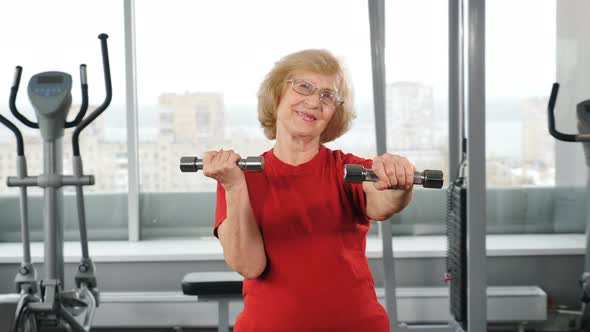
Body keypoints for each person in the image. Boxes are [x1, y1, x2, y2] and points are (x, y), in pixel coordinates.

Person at [202, 49, 415, 332]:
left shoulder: (348, 169)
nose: (314, 101)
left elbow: (384, 203)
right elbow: (249, 266)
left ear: (333, 112)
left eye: (328, 95)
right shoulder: (237, 179)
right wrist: (233, 186)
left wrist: (399, 180)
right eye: (304, 87)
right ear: (277, 95)